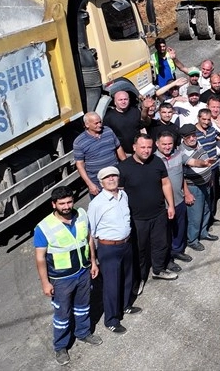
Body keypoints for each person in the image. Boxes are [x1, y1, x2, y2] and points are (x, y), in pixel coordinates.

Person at [34, 186, 101, 365]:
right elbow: (40, 258)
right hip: (61, 279)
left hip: (83, 271)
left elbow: (89, 238)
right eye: (61, 203)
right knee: (62, 314)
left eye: (69, 202)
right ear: (53, 204)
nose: (66, 206)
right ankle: (61, 346)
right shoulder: (43, 227)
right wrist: (45, 283)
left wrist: (93, 262)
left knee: (83, 306)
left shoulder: (81, 214)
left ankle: (83, 333)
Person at [119, 134, 178, 289]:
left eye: (149, 147)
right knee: (140, 250)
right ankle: (139, 279)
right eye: (143, 147)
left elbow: (165, 183)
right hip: (137, 218)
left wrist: (170, 205)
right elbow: (119, 195)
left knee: (161, 244)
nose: (146, 151)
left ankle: (158, 270)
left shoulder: (157, 162)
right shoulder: (123, 168)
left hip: (158, 214)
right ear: (134, 148)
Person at [88, 166, 139, 337]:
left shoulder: (123, 195)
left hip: (126, 243)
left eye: (114, 177)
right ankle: (111, 319)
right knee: (111, 284)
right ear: (101, 183)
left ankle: (125, 305)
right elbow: (90, 233)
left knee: (127, 277)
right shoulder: (96, 204)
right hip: (108, 247)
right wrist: (93, 260)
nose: (111, 180)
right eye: (107, 178)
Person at [154, 131, 188, 273]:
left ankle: (177, 250)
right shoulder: (153, 159)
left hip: (179, 200)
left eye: (170, 144)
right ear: (157, 144)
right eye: (164, 144)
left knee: (179, 228)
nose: (168, 147)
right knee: (165, 235)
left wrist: (203, 163)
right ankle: (167, 260)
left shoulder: (178, 154)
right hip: (164, 205)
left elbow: (185, 170)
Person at [180, 124, 218, 251]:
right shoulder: (182, 151)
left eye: (193, 135)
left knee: (206, 209)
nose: (192, 138)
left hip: (206, 183)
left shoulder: (198, 143)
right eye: (188, 137)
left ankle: (203, 232)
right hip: (194, 187)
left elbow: (205, 158)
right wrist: (205, 164)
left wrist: (210, 178)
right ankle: (192, 240)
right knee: (195, 216)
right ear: (183, 138)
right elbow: (194, 162)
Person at [74, 112, 126, 197]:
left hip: (115, 178)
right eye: (96, 123)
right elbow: (80, 165)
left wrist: (126, 166)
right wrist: (90, 184)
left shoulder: (108, 131)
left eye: (100, 122)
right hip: (97, 183)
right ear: (87, 125)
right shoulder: (79, 142)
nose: (100, 125)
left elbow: (118, 147)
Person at [104, 90, 153, 155]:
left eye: (125, 99)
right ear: (115, 102)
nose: (123, 102)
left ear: (129, 100)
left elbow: (144, 125)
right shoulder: (109, 117)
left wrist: (145, 109)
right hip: (123, 153)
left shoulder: (135, 111)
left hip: (138, 151)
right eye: (120, 100)